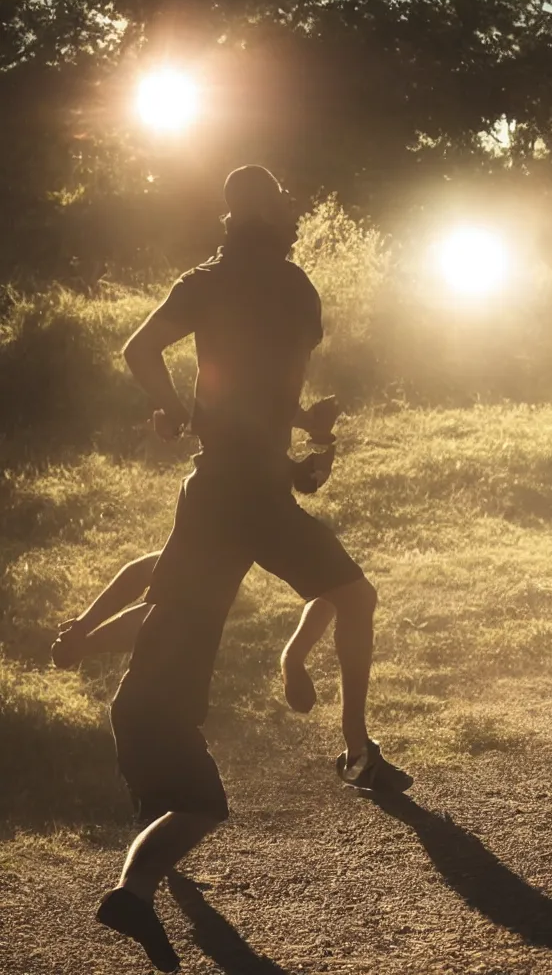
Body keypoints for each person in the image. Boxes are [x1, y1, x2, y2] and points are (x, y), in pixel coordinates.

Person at [94, 165, 408, 973]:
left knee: (178, 619)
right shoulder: (292, 285)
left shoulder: (207, 281)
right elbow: (273, 378)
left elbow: (146, 353)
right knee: (352, 596)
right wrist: (296, 434)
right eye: (287, 210)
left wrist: (189, 413)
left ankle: (167, 786)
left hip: (228, 485)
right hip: (256, 489)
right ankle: (352, 748)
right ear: (275, 218)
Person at [51, 454, 339, 714]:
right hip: (244, 486)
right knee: (185, 599)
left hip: (217, 480)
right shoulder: (231, 497)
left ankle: (86, 643)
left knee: (181, 590)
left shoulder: (237, 490)